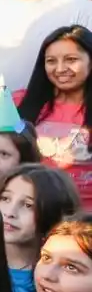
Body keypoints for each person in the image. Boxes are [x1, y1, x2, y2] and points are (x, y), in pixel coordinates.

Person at [18, 24, 92, 208]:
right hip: (31, 211)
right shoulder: (19, 102)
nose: (60, 69)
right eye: (51, 61)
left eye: (71, 59)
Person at [0, 164, 81, 292]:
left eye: (28, 205)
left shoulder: (61, 276)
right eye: (5, 198)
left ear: (53, 213)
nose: (10, 212)